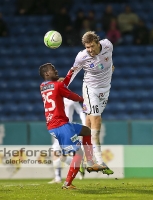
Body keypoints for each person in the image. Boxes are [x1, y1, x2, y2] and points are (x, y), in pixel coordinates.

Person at [39, 63, 105, 189]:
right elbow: (71, 96)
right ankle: (67, 183)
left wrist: (68, 75)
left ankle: (90, 161)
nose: (56, 70)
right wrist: (85, 100)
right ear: (47, 74)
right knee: (78, 153)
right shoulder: (58, 86)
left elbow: (58, 86)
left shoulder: (42, 86)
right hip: (61, 126)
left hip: (55, 124)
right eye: (53, 69)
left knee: (86, 131)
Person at [66, 31, 115, 175]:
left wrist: (111, 68)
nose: (90, 50)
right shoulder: (82, 56)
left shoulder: (108, 45)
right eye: (87, 47)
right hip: (90, 89)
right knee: (97, 119)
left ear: (98, 43)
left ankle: (81, 157)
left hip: (105, 89)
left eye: (92, 46)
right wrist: (62, 87)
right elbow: (72, 72)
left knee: (88, 123)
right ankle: (99, 160)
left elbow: (109, 60)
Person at [48, 98, 86, 184]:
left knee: (57, 153)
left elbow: (80, 111)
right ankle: (77, 165)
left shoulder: (71, 99)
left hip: (66, 128)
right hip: (57, 128)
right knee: (60, 155)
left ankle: (58, 178)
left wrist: (84, 125)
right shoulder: (54, 99)